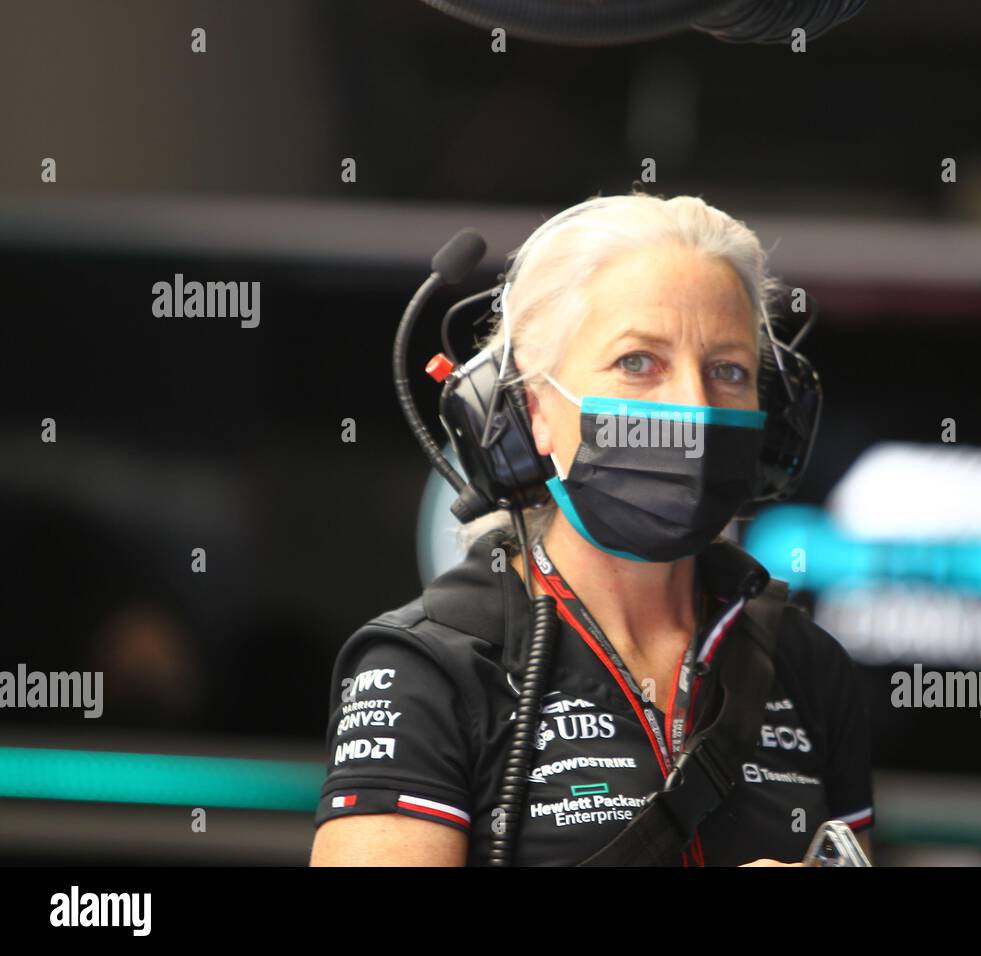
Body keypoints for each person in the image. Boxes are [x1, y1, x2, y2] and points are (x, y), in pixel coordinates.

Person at [309, 191, 875, 866]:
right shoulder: (429, 670)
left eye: (728, 370)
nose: (693, 407)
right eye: (638, 363)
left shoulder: (807, 666)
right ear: (528, 409)